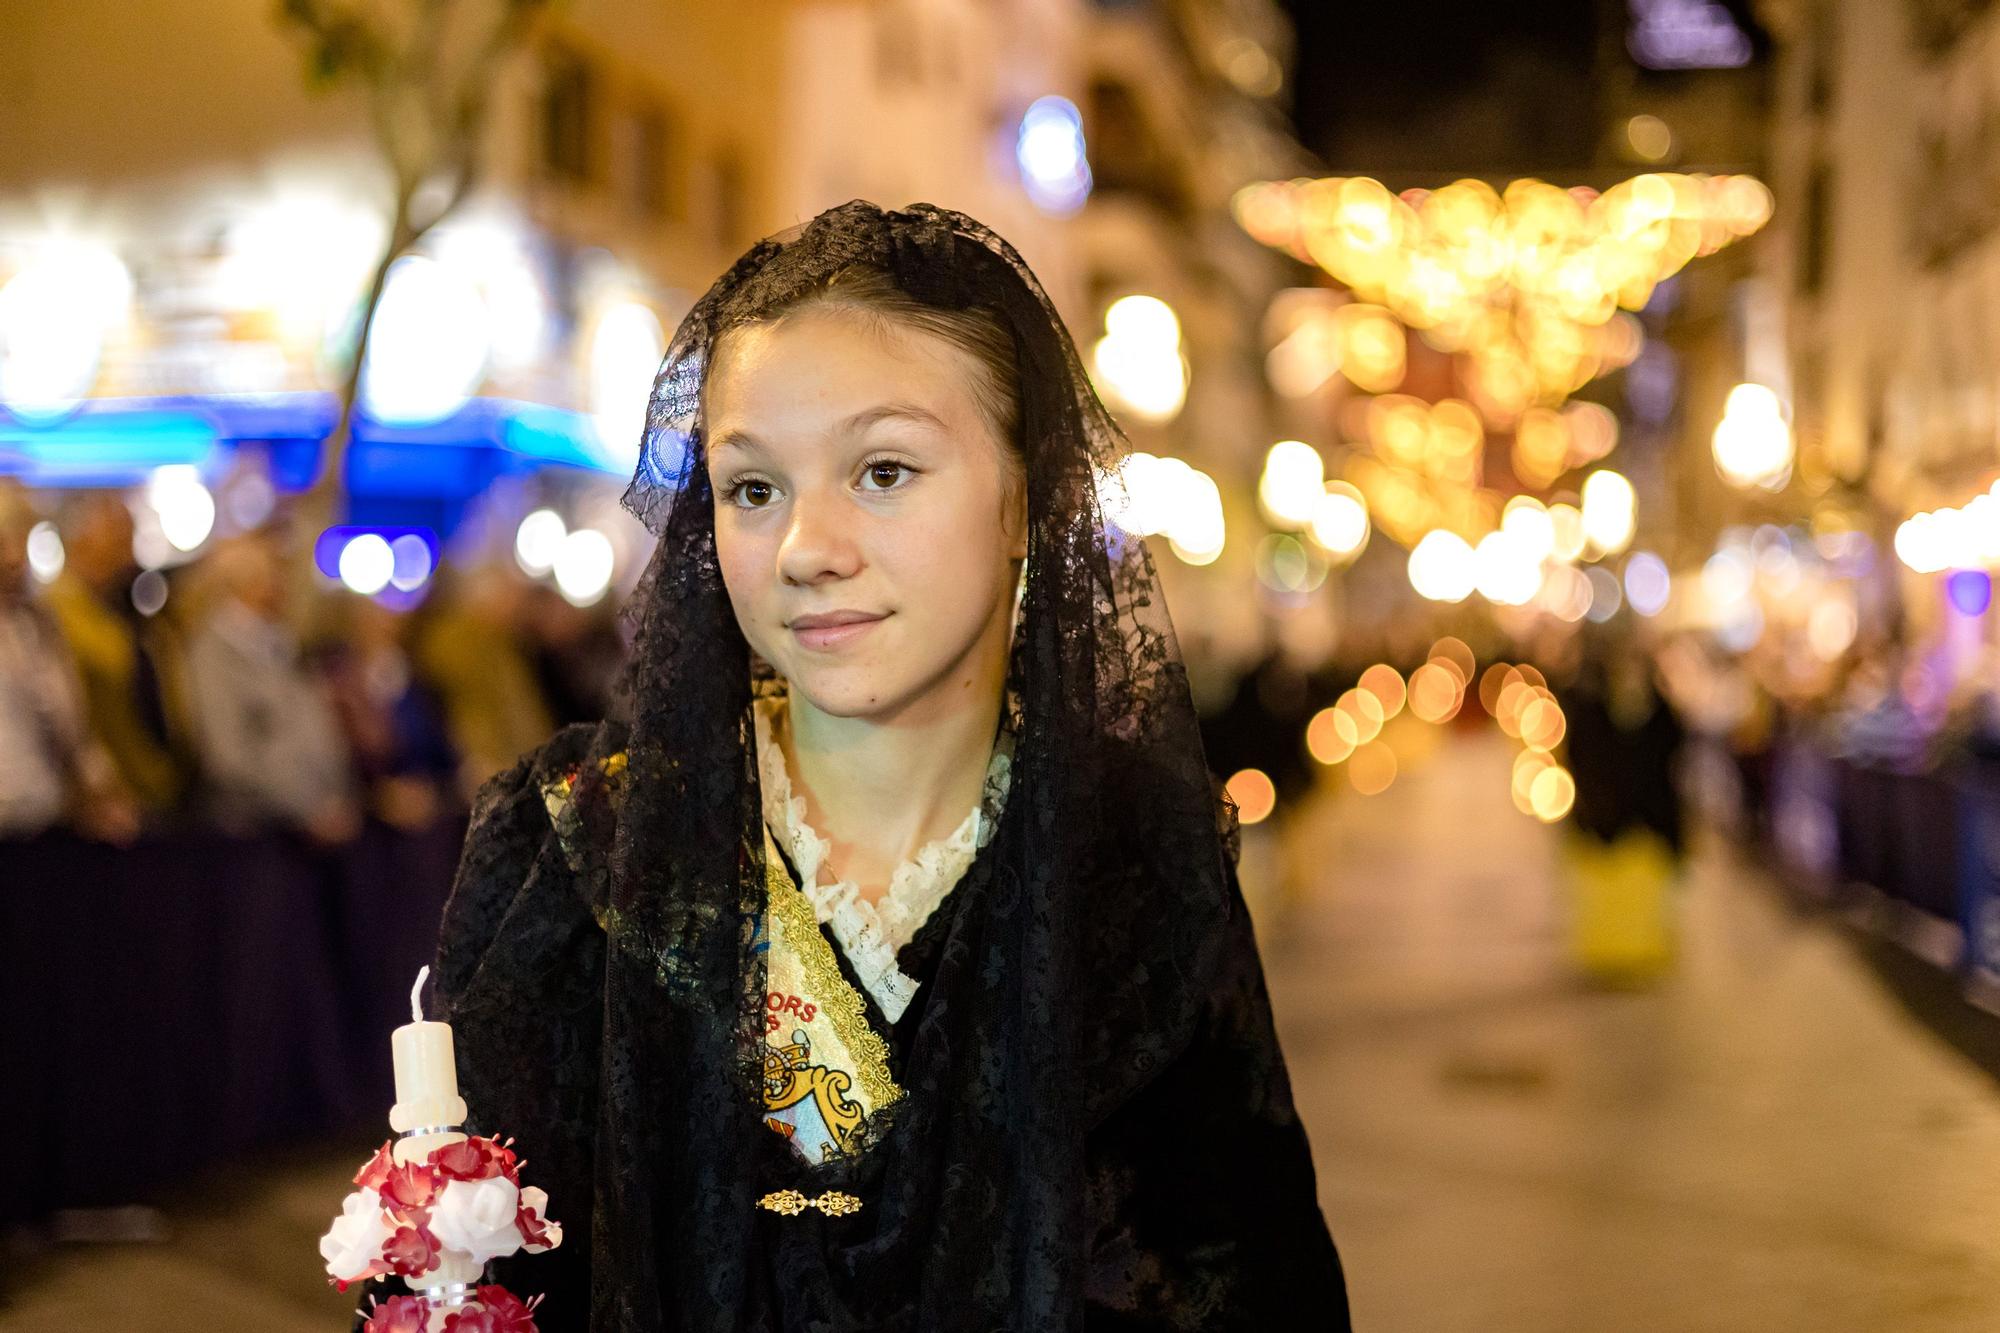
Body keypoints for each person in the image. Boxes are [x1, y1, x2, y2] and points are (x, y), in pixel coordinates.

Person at [376, 201, 1346, 1331]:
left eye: (883, 470)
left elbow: (1249, 1284)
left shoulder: (1129, 861)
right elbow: (463, 1286)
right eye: (752, 488)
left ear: (1025, 496)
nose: (806, 549)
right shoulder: (586, 847)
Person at [183, 533, 360, 843]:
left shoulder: (280, 647)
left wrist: (336, 799)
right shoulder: (212, 656)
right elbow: (228, 757)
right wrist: (306, 809)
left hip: (314, 830)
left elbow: (316, 729)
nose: (284, 586)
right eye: (275, 574)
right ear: (246, 583)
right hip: (253, 836)